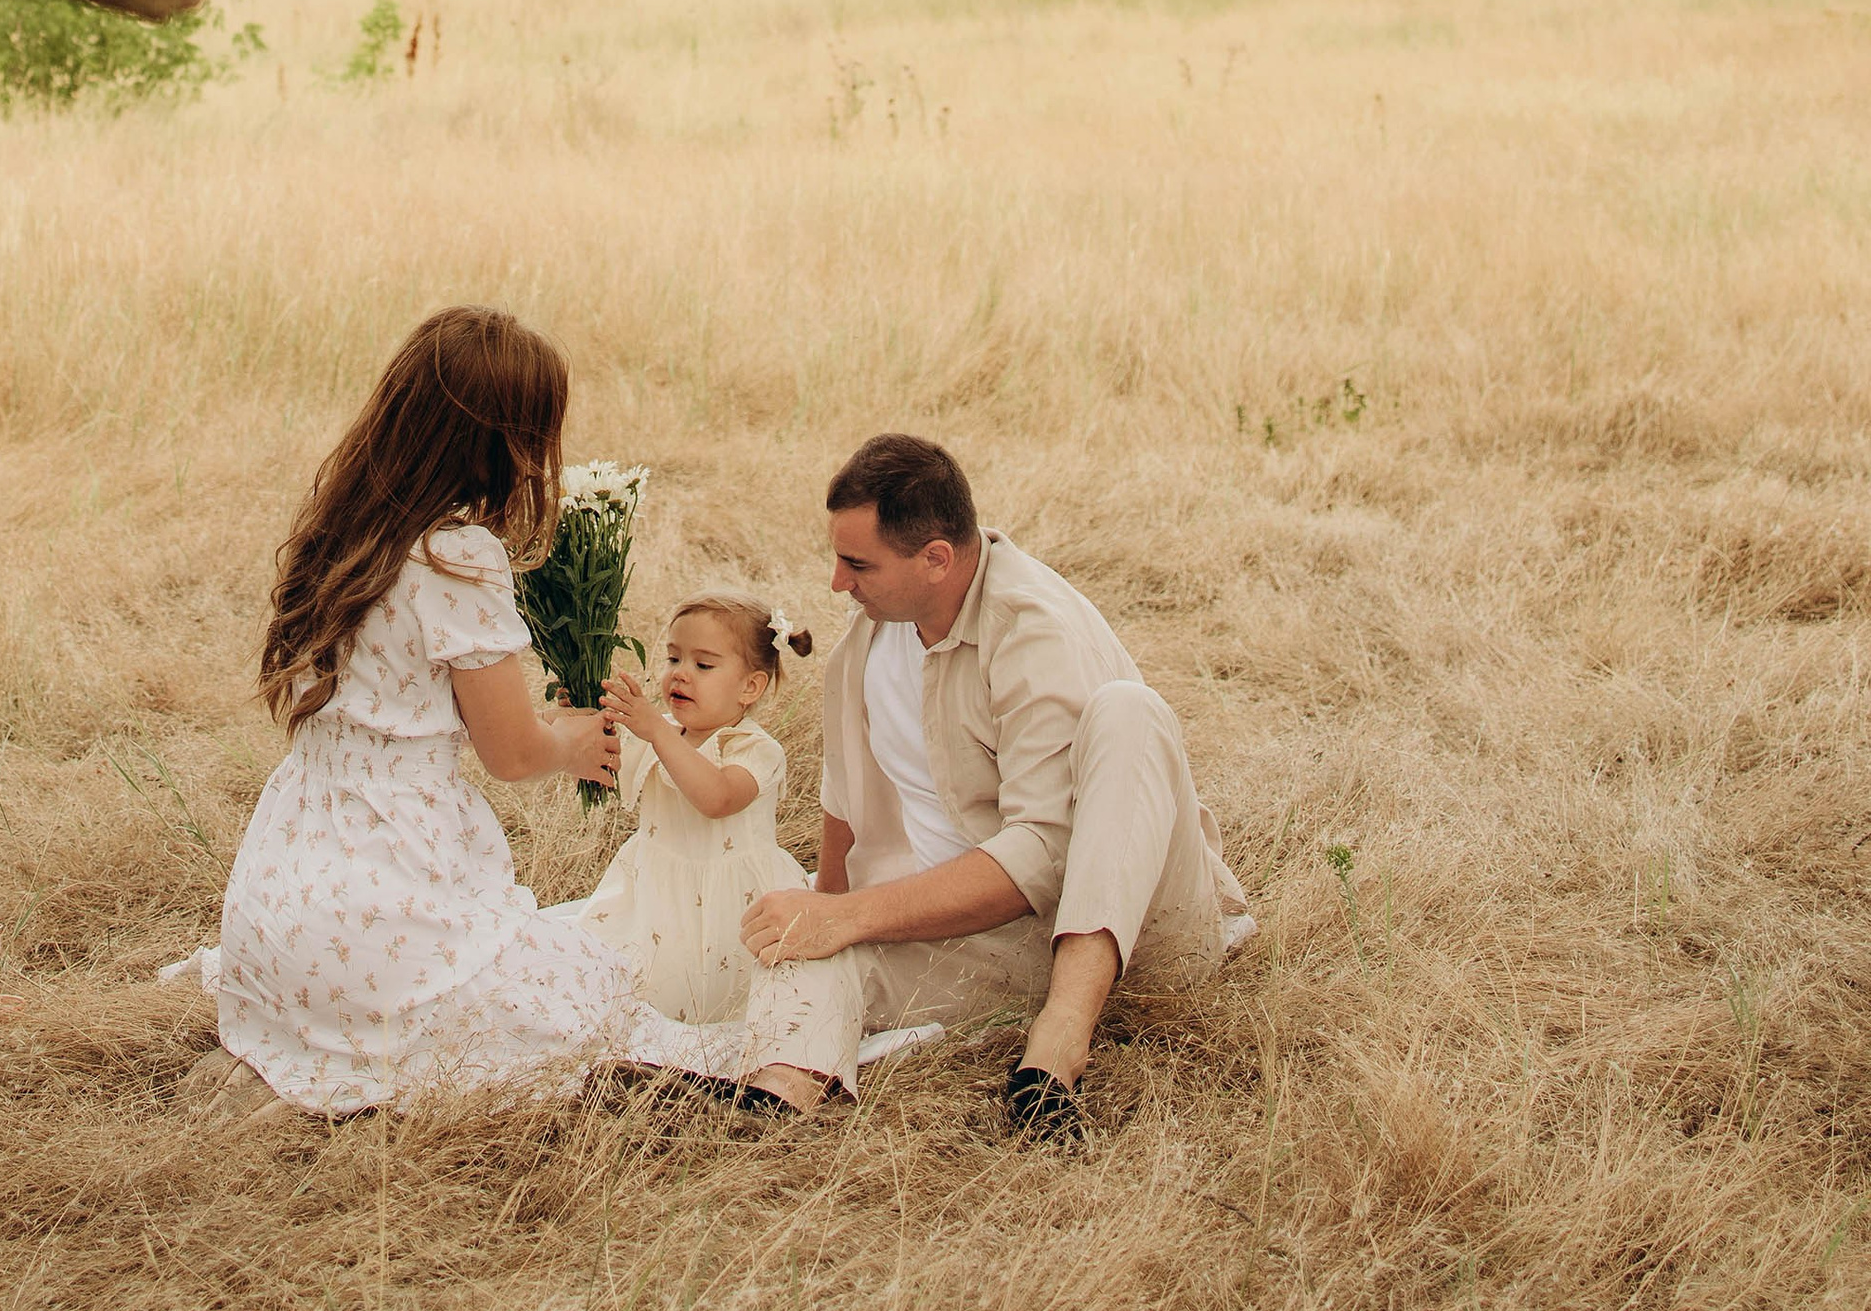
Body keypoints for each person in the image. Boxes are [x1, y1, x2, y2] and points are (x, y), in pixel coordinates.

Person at [734, 432, 1252, 1140]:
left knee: (1131, 712)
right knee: (807, 936)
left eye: (857, 564)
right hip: (999, 936)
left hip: (1142, 926)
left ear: (937, 559)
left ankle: (1057, 1049)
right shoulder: (871, 638)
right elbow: (844, 805)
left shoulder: (1033, 629)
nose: (837, 584)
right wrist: (824, 915)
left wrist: (849, 917)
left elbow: (1042, 854)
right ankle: (772, 1098)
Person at [195, 305, 633, 1113]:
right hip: (380, 890)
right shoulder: (457, 553)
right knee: (593, 1005)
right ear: (501, 442)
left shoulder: (346, 526)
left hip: (281, 897)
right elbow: (510, 753)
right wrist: (572, 743)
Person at [540, 596, 813, 1022]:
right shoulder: (662, 732)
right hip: (656, 892)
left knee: (714, 1001)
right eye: (672, 658)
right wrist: (581, 722)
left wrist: (652, 730)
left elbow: (717, 798)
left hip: (728, 904)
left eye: (704, 665)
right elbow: (604, 769)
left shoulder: (755, 748)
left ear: (750, 687)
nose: (680, 674)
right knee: (612, 983)